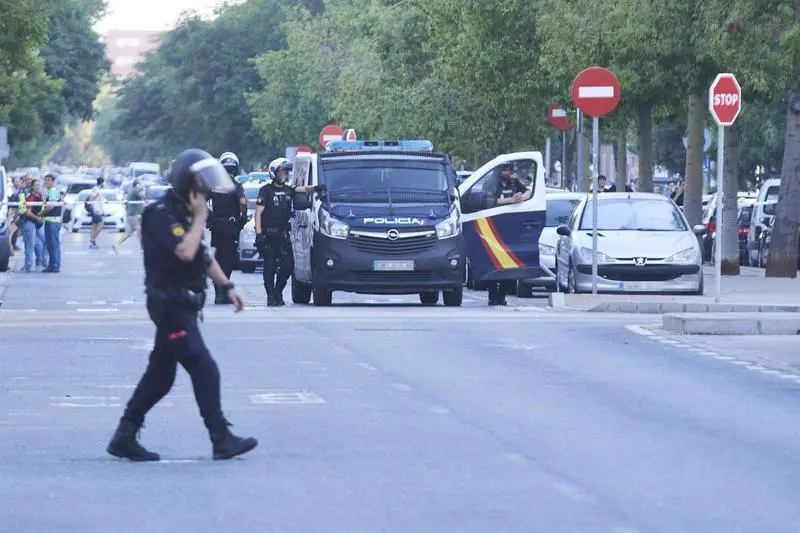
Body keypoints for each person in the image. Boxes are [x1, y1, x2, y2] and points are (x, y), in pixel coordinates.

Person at [106, 148, 257, 462]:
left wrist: (227, 286)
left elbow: (201, 253)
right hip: (170, 304)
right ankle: (220, 437)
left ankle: (124, 434)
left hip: (181, 304)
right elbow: (185, 252)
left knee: (160, 377)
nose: (205, 193)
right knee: (205, 369)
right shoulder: (160, 213)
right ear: (189, 183)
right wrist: (201, 216)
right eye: (201, 184)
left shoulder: (183, 211)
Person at [255, 157, 325, 306]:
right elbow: (258, 214)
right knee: (269, 266)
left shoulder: (289, 190)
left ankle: (278, 291)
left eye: (286, 171)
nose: (285, 174)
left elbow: (304, 189)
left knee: (288, 265)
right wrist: (259, 234)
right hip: (268, 235)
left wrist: (318, 188)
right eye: (282, 171)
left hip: (283, 235)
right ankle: (271, 296)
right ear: (274, 172)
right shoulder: (265, 190)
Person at [488, 163, 532, 306]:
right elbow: (491, 200)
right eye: (505, 170)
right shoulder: (491, 184)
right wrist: (510, 200)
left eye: (510, 170)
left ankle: (502, 295)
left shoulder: (514, 182)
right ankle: (492, 294)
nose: (508, 172)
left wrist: (521, 197)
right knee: (494, 262)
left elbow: (528, 192)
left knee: (508, 263)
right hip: (494, 227)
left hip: (510, 227)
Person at [208, 152, 247, 304]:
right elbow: (243, 202)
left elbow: (202, 201)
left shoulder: (214, 185)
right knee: (228, 259)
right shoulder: (236, 185)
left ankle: (218, 291)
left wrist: (210, 216)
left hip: (217, 225)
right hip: (231, 226)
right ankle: (223, 289)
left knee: (217, 257)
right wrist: (242, 217)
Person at [114, 180, 145, 253]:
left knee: (128, 232)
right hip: (135, 214)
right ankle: (142, 249)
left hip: (130, 214)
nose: (142, 185)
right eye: (141, 184)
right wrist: (143, 188)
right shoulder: (136, 191)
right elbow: (143, 196)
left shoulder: (131, 190)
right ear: (137, 185)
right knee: (140, 232)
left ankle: (116, 244)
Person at [42, 174, 63, 273]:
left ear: (53, 182)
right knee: (50, 244)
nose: (46, 182)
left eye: (48, 180)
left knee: (54, 244)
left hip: (54, 221)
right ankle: (52, 265)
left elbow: (50, 207)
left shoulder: (53, 192)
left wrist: (40, 213)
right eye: (45, 180)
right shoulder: (50, 191)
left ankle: (55, 265)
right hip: (50, 220)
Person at [88, 177, 105, 249]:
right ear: (102, 183)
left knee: (94, 226)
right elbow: (91, 199)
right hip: (96, 210)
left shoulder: (95, 189)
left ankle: (92, 242)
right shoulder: (97, 190)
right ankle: (92, 240)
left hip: (96, 209)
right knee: (101, 225)